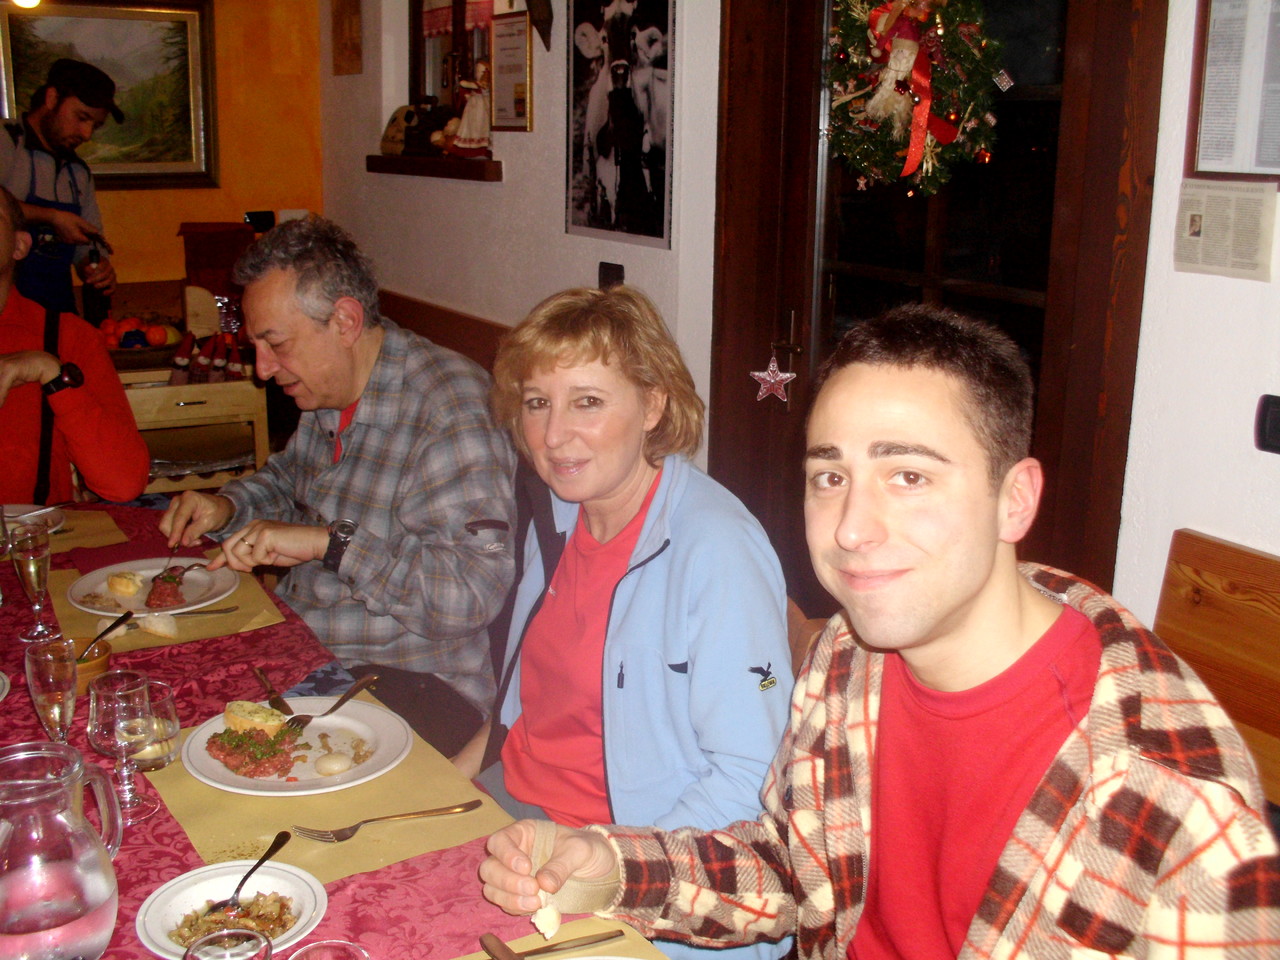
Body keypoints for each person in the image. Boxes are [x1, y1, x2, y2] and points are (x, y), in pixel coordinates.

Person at [480, 304, 1280, 958]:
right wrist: (614, 868)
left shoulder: (1174, 811)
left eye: (909, 475)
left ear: (1016, 499)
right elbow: (794, 871)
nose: (853, 528)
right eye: (832, 476)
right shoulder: (851, 660)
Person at [456, 286, 791, 960]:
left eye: (587, 402)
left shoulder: (716, 551)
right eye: (536, 403)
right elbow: (523, 706)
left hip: (642, 864)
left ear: (654, 404)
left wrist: (609, 862)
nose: (553, 436)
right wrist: (446, 790)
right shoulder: (560, 512)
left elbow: (752, 773)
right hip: (520, 815)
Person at [159, 216, 516, 755]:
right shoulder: (330, 390)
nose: (261, 369)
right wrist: (225, 504)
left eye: (276, 343)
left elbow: (466, 598)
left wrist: (334, 544)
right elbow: (287, 482)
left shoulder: (449, 410)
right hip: (311, 658)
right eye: (257, 344)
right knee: (161, 711)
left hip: (414, 689)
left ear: (345, 321)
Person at [0, 185, 147, 505]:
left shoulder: (66, 336)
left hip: (35, 546)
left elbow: (124, 482)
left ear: (19, 245)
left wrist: (50, 371)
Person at [0, 59, 121, 317]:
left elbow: (87, 247)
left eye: (95, 126)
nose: (87, 134)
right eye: (81, 118)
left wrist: (96, 267)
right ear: (52, 98)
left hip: (59, 319)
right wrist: (52, 217)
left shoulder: (79, 173)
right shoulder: (7, 140)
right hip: (6, 321)